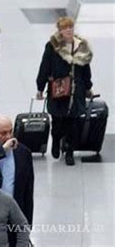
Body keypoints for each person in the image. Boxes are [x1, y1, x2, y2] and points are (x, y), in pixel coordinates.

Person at [36, 16, 93, 166]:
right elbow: (45, 66)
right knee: (58, 120)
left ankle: (69, 151)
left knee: (73, 122)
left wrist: (88, 86)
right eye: (65, 28)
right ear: (60, 31)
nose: (68, 30)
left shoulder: (81, 46)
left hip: (77, 89)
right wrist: (40, 87)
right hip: (58, 88)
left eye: (70, 27)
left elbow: (86, 69)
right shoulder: (52, 46)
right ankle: (56, 140)